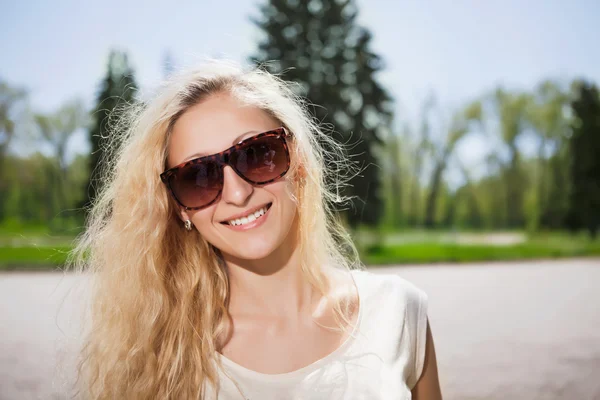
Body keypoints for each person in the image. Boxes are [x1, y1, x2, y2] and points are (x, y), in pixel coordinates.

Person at [71, 60, 442, 399]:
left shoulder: (397, 312)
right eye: (197, 176)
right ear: (179, 207)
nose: (237, 192)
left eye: (257, 154)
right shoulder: (158, 358)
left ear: (296, 160)